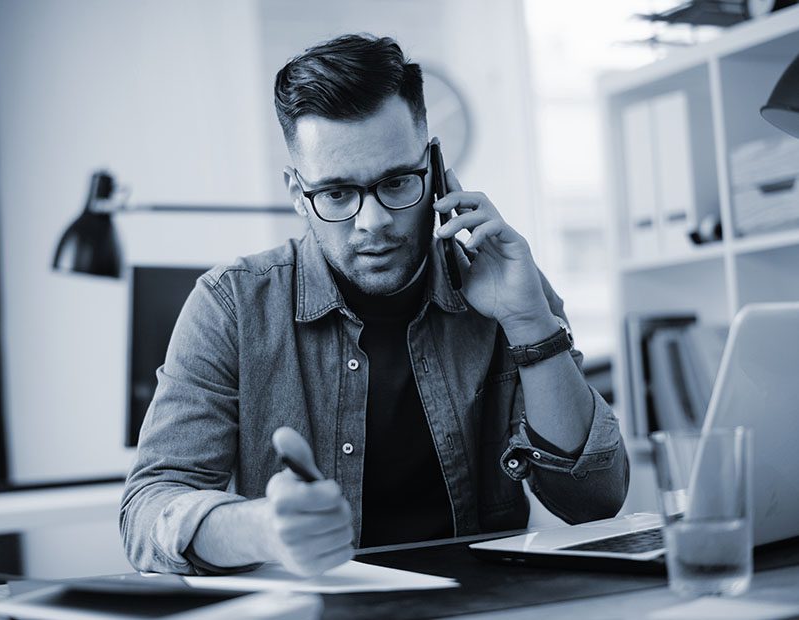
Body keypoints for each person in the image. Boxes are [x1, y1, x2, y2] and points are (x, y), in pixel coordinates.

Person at [120, 33, 628, 578]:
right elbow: (148, 510)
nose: (373, 222)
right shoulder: (231, 306)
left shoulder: (508, 284)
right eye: (337, 194)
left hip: (478, 607)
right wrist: (263, 528)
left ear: (433, 169)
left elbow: (595, 501)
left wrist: (530, 324)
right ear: (297, 192)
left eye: (396, 182)